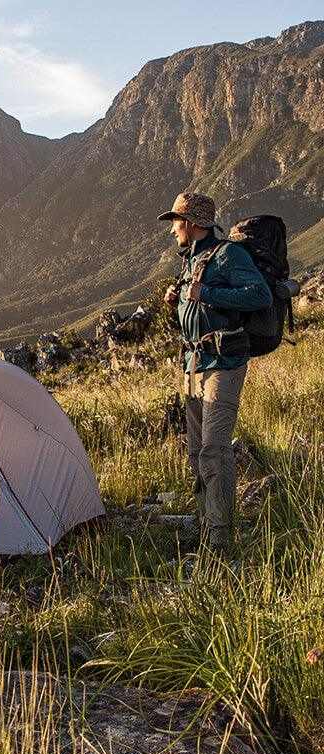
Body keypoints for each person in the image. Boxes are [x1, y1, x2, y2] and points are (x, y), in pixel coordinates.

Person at [159, 193, 272, 551]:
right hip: (194, 366)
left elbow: (260, 296)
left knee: (214, 449)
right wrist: (177, 300)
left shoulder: (228, 255)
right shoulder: (191, 260)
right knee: (196, 451)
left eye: (176, 221)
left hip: (223, 364)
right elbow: (196, 310)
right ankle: (206, 520)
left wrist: (204, 292)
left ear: (192, 223)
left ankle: (221, 539)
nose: (173, 228)